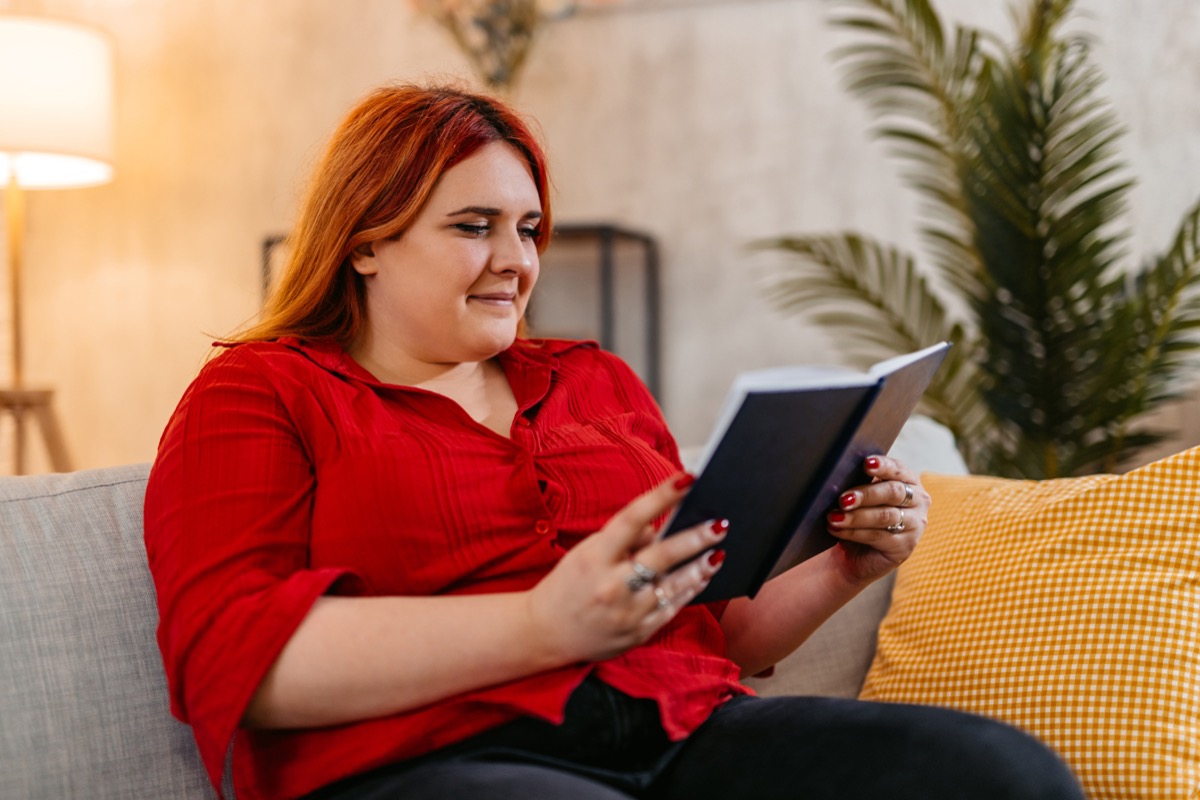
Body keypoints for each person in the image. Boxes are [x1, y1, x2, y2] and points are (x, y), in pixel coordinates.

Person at [143, 83, 1084, 800]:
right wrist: (539, 627)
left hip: (682, 727)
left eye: (528, 228)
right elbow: (238, 657)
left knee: (999, 773)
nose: (517, 261)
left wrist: (848, 567)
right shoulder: (261, 391)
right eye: (473, 227)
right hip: (438, 754)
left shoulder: (592, 380)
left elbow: (718, 630)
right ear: (363, 242)